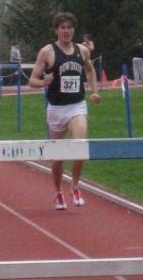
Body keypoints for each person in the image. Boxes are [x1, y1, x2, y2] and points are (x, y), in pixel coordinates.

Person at [29, 12, 101, 210]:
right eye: (63, 27)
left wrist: (94, 91)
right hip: (56, 109)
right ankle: (58, 191)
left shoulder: (82, 51)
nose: (66, 31)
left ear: (73, 30)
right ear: (56, 30)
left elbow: (90, 69)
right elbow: (31, 80)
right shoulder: (47, 52)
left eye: (69, 27)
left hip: (77, 106)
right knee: (57, 157)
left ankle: (75, 185)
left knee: (80, 144)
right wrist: (42, 82)